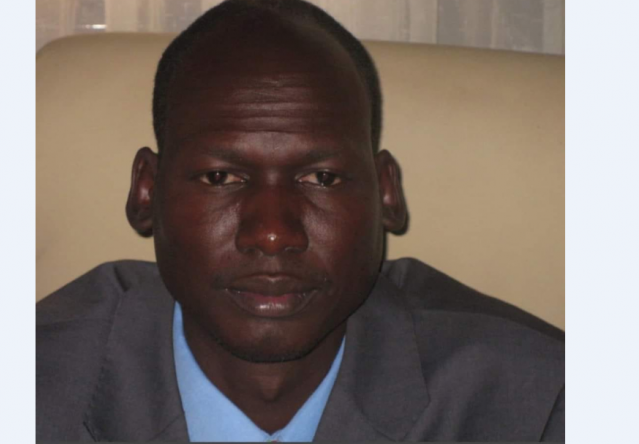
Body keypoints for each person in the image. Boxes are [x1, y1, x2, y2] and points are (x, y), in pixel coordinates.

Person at [36, 0, 564, 441]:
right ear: (146, 191)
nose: (272, 235)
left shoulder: (541, 400)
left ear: (386, 192)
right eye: (220, 177)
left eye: (322, 178)